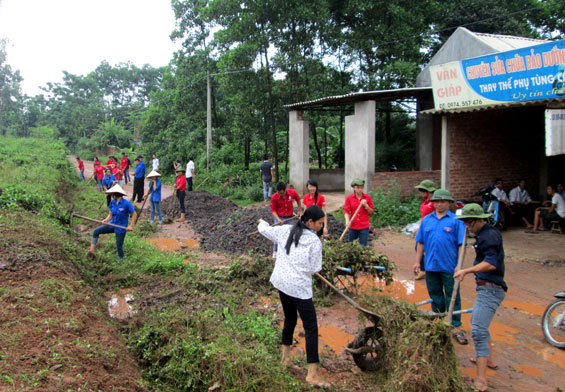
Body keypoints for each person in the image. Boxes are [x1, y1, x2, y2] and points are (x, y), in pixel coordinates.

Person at [257, 206, 331, 389]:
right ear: (310, 222)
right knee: (311, 327)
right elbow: (315, 268)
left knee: (290, 318)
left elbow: (266, 230)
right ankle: (312, 374)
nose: (322, 227)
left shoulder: (284, 230)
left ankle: (285, 359)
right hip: (299, 288)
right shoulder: (314, 242)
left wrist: (262, 223)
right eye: (320, 223)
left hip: (282, 284)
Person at [454, 203, 508, 392]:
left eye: (469, 222)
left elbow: (491, 264)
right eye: (466, 223)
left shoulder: (489, 236)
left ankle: (481, 380)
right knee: (481, 324)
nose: (467, 226)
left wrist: (466, 270)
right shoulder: (482, 234)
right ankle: (489, 360)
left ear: (479, 220)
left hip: (491, 289)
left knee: (477, 330)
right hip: (486, 286)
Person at [412, 189, 468, 345]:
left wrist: (459, 265)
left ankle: (455, 325)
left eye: (443, 201)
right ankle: (439, 320)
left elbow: (461, 245)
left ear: (449, 203)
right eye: (436, 201)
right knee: (435, 294)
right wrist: (417, 262)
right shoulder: (427, 220)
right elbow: (421, 242)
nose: (439, 204)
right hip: (431, 265)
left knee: (453, 295)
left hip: (449, 266)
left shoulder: (457, 221)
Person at [88, 184, 136, 260]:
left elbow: (134, 214)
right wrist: (105, 220)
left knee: (119, 246)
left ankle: (121, 259)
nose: (111, 195)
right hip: (112, 224)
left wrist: (131, 226)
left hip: (121, 227)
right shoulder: (112, 203)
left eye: (112, 194)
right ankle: (91, 250)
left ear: (116, 194)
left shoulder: (126, 204)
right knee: (96, 231)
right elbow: (110, 215)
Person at [413, 179, 438, 280]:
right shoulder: (425, 202)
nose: (421, 193)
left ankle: (430, 270)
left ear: (429, 191)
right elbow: (423, 216)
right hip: (424, 229)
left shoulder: (434, 203)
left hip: (432, 229)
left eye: (423, 191)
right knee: (418, 248)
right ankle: (424, 270)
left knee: (430, 250)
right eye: (421, 191)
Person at [271, 182, 302, 258]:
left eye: (282, 193)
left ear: (285, 190)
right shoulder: (274, 197)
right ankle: (275, 251)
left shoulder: (292, 192)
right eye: (279, 193)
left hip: (289, 217)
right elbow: (273, 211)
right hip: (279, 217)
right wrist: (278, 219)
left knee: (289, 234)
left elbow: (298, 199)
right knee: (277, 235)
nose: (280, 195)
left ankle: (288, 251)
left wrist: (300, 210)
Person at [344, 179, 374, 246]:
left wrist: (366, 205)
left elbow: (371, 212)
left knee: (362, 246)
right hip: (353, 225)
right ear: (354, 188)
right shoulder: (349, 198)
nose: (360, 189)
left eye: (361, 188)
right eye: (358, 188)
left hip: (364, 226)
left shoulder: (367, 198)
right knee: (351, 246)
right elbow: (346, 211)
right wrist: (347, 221)